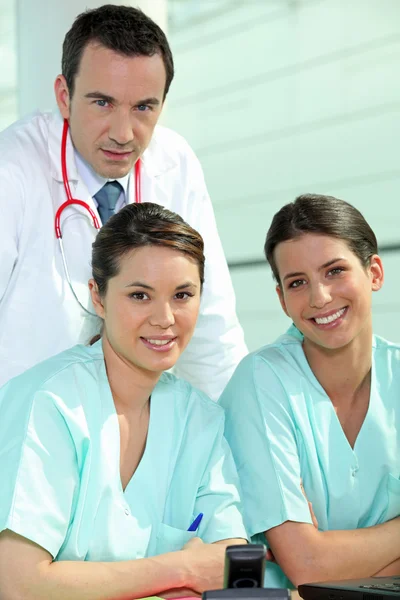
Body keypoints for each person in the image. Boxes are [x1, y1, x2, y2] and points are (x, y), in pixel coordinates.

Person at [0, 202, 247, 600]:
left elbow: (233, 566)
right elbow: (19, 585)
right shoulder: (49, 403)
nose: (165, 318)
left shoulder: (200, 420)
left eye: (183, 294)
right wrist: (179, 569)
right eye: (139, 296)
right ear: (98, 297)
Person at [0, 4, 247, 397]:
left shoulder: (175, 165)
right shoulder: (11, 170)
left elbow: (212, 331)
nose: (123, 133)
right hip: (20, 426)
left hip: (128, 423)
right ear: (64, 96)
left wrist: (239, 436)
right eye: (102, 103)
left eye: (143, 107)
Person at [220, 194, 400, 588]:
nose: (320, 297)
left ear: (374, 273)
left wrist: (339, 562)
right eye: (297, 283)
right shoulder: (261, 383)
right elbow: (307, 565)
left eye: (334, 271)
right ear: (282, 300)